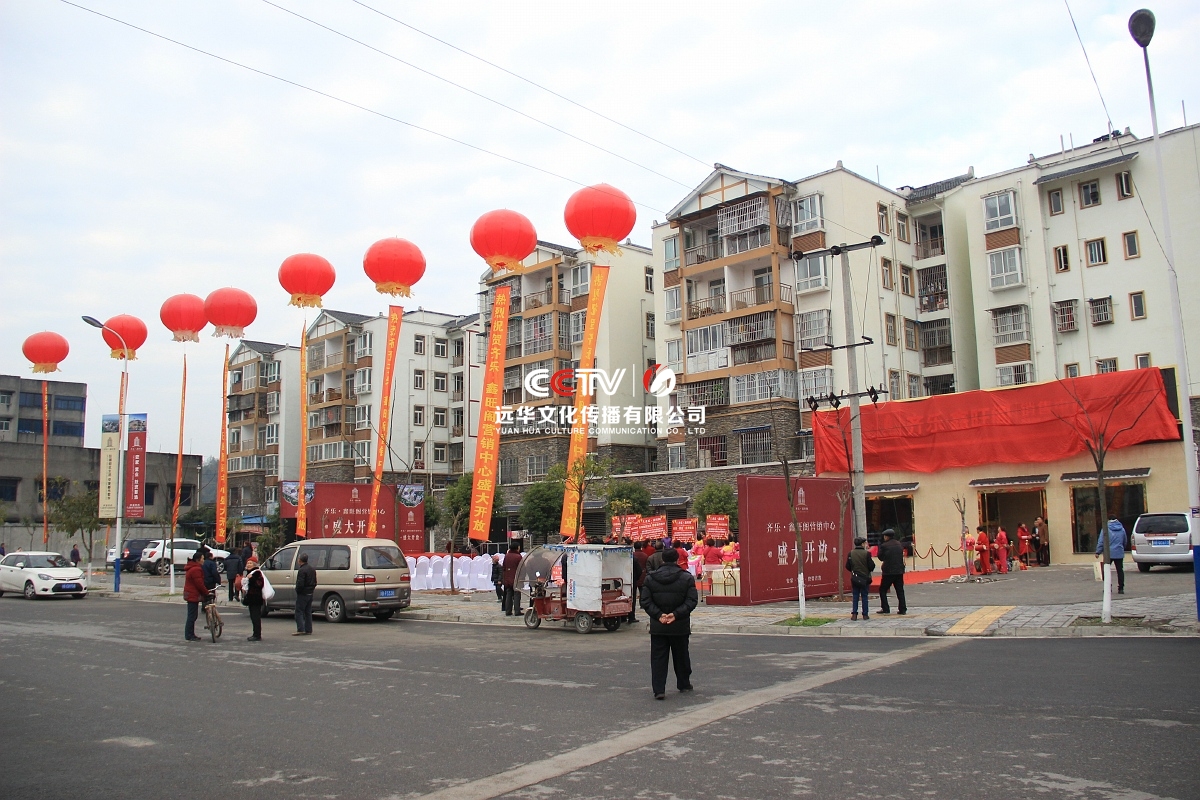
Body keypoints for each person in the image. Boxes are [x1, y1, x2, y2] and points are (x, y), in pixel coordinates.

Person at [639, 548, 698, 700]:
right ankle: (684, 683)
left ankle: (659, 689)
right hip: (679, 625)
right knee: (681, 656)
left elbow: (645, 601)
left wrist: (658, 615)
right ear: (677, 559)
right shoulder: (686, 578)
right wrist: (676, 614)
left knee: (658, 658)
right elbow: (691, 600)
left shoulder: (650, 578)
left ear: (662, 560)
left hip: (659, 626)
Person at [876, 529, 907, 615]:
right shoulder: (899, 544)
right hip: (899, 571)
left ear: (886, 537)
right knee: (900, 590)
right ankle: (902, 609)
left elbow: (880, 557)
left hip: (888, 572)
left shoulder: (884, 546)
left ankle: (885, 608)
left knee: (883, 589)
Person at [1096, 516, 1128, 594]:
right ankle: (1121, 588)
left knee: (1106, 570)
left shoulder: (1105, 529)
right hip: (1119, 552)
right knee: (1120, 570)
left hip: (1108, 553)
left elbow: (1101, 541)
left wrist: (1098, 552)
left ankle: (1108, 587)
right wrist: (1121, 548)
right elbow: (1125, 541)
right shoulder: (1122, 529)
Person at [845, 536, 875, 621]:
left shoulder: (851, 553)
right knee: (864, 596)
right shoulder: (867, 554)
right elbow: (871, 566)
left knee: (855, 596)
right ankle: (865, 614)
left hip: (855, 578)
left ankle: (854, 614)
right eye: (865, 543)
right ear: (862, 544)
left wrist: (854, 571)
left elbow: (847, 566)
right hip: (865, 578)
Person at [183, 551, 207, 642]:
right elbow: (199, 584)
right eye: (202, 559)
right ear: (198, 560)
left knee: (192, 615)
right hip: (193, 594)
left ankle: (190, 634)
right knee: (192, 616)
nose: (203, 560)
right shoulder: (196, 569)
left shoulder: (192, 568)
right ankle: (189, 635)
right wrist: (206, 592)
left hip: (191, 593)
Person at [293, 552, 317, 635]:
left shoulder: (302, 570)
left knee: (299, 611)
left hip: (303, 594)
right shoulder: (312, 569)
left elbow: (300, 584)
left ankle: (300, 629)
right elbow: (315, 582)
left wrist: (298, 590)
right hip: (310, 593)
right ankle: (308, 629)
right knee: (308, 612)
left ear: (300, 560)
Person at [243, 556, 265, 641]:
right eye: (248, 563)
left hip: (256, 598)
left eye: (250, 563)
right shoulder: (249, 573)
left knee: (255, 617)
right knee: (253, 617)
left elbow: (259, 584)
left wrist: (251, 578)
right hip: (251, 598)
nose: (248, 565)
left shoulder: (257, 573)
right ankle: (255, 633)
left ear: (254, 564)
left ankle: (257, 635)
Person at [501, 542, 523, 616]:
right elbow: (521, 568)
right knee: (517, 594)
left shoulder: (507, 556)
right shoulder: (518, 557)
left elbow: (504, 567)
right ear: (517, 548)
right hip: (516, 578)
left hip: (508, 578)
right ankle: (517, 610)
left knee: (509, 594)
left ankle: (508, 610)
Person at [630, 542, 649, 624]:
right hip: (641, 577)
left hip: (630, 579)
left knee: (630, 597)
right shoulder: (645, 556)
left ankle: (627, 616)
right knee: (642, 591)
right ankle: (642, 604)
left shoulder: (631, 556)